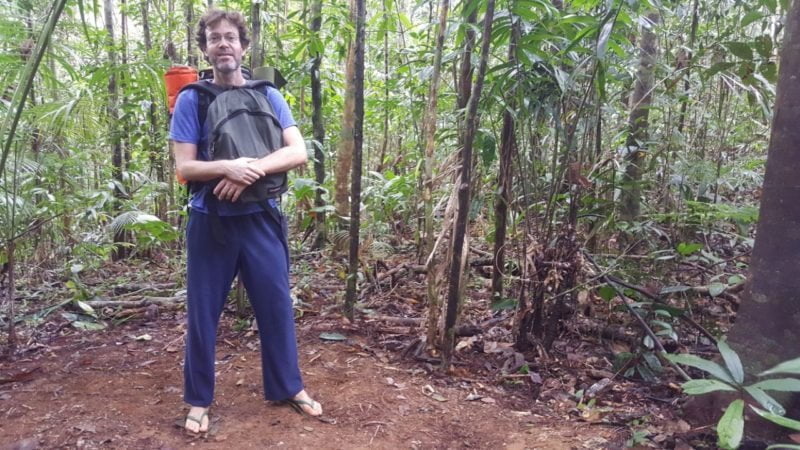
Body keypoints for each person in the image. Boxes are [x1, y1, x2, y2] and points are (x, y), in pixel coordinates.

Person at [169, 8, 322, 434]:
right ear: (205, 48)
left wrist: (247, 169)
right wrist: (226, 168)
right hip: (211, 221)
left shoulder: (268, 95)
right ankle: (198, 400)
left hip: (261, 218)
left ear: (243, 45)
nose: (223, 44)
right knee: (204, 313)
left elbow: (298, 152)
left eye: (230, 37)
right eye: (214, 38)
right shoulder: (192, 99)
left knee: (275, 307)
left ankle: (287, 387)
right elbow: (186, 167)